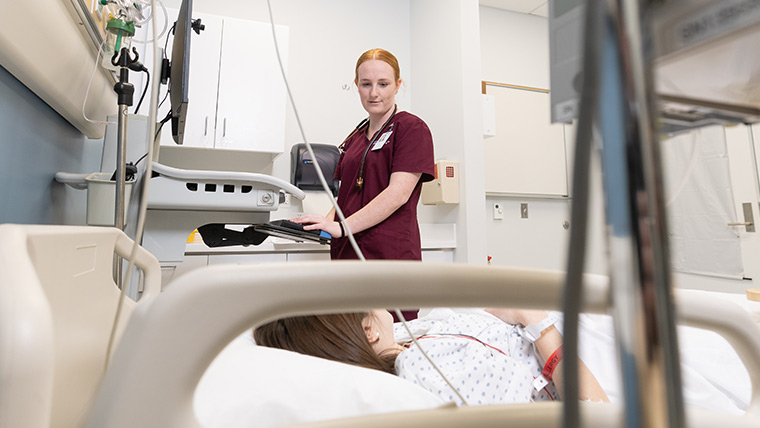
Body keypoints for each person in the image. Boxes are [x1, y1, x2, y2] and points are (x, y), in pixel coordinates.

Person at [253, 308, 610, 406]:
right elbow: (597, 411)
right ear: (367, 332)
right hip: (579, 351)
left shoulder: (409, 339)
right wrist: (533, 319)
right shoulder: (419, 366)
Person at [292, 48, 435, 263]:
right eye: (366, 84)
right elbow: (347, 197)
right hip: (346, 251)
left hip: (388, 254)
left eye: (383, 84)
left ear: (398, 85)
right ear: (357, 85)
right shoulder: (356, 137)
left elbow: (398, 194)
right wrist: (322, 223)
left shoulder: (411, 128)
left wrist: (342, 227)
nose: (374, 93)